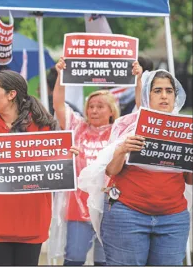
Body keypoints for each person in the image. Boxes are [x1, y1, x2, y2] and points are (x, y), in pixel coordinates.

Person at [0, 70, 79, 266]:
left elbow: (56, 176)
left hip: (31, 224)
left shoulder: (44, 127)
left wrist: (66, 159)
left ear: (11, 95)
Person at [79, 69, 191, 266]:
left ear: (176, 95)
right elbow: (111, 171)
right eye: (157, 91)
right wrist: (122, 150)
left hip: (173, 218)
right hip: (128, 214)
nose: (164, 96)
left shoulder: (186, 129)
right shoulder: (128, 124)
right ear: (147, 94)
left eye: (169, 91)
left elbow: (190, 180)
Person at [52, 57, 142, 266]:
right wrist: (60, 75)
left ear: (112, 111)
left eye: (100, 106)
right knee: (73, 260)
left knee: (105, 262)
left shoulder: (119, 131)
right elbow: (58, 104)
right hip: (77, 207)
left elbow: (141, 111)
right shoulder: (76, 127)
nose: (93, 110)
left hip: (110, 207)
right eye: (90, 106)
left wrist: (138, 80)